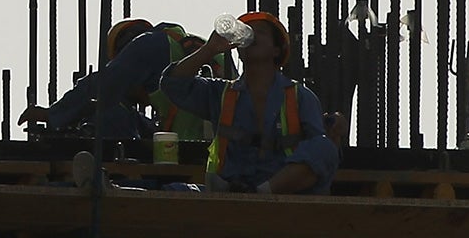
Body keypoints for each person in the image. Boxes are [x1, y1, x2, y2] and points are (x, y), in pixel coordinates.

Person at [160, 12, 338, 193]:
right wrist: (209, 49)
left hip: (280, 189)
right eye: (248, 30)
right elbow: (173, 85)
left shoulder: (299, 97)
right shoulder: (222, 94)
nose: (252, 35)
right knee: (170, 193)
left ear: (276, 50)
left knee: (324, 148)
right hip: (227, 188)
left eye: (261, 32)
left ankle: (261, 192)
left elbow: (319, 151)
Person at [21, 18, 228, 144]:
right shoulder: (208, 51)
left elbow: (102, 85)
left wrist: (53, 114)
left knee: (113, 110)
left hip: (192, 160)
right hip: (223, 155)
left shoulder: (148, 45)